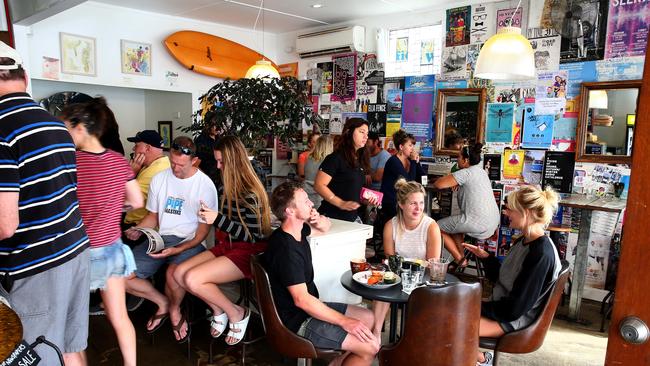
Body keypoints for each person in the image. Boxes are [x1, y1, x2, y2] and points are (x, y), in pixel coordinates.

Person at [0, 41, 90, 365]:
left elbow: (5, 224)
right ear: (24, 77)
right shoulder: (56, 125)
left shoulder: (1, 127)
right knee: (68, 347)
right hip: (75, 250)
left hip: (36, 264)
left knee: (37, 356)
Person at [61, 98, 144, 366]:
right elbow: (136, 202)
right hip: (111, 250)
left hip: (79, 253)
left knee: (70, 327)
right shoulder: (119, 161)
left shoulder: (71, 163)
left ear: (81, 127)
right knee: (119, 317)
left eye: (67, 128)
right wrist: (112, 204)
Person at [263, 181, 379, 365]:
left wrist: (317, 218)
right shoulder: (285, 249)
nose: (311, 204)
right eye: (305, 201)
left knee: (368, 317)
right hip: (297, 320)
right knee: (370, 348)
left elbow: (325, 227)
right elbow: (302, 300)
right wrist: (345, 321)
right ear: (290, 211)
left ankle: (336, 363)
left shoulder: (298, 230)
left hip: (309, 308)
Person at [175, 135, 272, 345]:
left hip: (249, 251)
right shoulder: (226, 186)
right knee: (179, 273)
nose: (218, 166)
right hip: (228, 245)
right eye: (217, 161)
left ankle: (236, 312)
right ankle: (218, 309)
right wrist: (212, 216)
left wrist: (217, 218)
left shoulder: (251, 193)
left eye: (221, 162)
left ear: (234, 161)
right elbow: (230, 225)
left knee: (192, 279)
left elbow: (252, 236)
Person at [124, 136, 217, 343]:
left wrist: (177, 250)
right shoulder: (160, 178)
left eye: (180, 165)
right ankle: (163, 303)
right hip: (161, 238)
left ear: (193, 161)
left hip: (190, 241)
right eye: (173, 162)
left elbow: (202, 233)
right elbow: (153, 216)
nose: (175, 168)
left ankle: (175, 310)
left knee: (174, 273)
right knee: (122, 273)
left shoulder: (205, 185)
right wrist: (139, 230)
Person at [462, 186, 562, 365]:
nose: (506, 213)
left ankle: (481, 361)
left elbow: (514, 309)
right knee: (445, 315)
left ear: (527, 212)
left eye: (510, 209)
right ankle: (480, 360)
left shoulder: (540, 254)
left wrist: (475, 305)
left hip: (515, 320)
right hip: (505, 310)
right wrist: (486, 258)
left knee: (448, 322)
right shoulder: (525, 241)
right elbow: (505, 278)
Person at [372, 179, 442, 337]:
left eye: (421, 203)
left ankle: (411, 341)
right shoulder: (391, 225)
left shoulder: (430, 227)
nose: (419, 208)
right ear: (401, 204)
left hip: (422, 278)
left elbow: (432, 263)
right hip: (398, 275)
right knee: (383, 288)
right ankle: (375, 335)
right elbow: (390, 259)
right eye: (413, 204)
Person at [434, 143, 500, 268]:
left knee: (436, 227)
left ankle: (460, 259)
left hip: (478, 223)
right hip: (492, 222)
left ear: (466, 160)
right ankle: (461, 256)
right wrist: (457, 181)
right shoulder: (481, 172)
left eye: (459, 157)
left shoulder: (466, 173)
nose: (457, 159)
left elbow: (438, 184)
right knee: (455, 225)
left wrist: (455, 179)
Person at [315, 118, 379, 222]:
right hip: (331, 218)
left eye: (367, 133)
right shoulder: (335, 158)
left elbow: (352, 190)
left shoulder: (359, 159)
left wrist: (366, 199)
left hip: (351, 218)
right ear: (349, 131)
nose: (365, 136)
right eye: (361, 132)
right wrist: (340, 203)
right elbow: (319, 185)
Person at [123, 130, 171, 233]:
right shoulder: (161, 162)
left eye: (136, 145)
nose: (133, 149)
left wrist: (130, 174)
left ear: (148, 148)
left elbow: (121, 201)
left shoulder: (154, 172)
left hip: (139, 226)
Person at [380, 129, 426, 220]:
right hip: (391, 203)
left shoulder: (409, 161)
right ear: (401, 147)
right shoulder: (393, 161)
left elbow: (423, 178)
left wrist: (417, 162)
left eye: (413, 145)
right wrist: (413, 161)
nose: (412, 148)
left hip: (403, 201)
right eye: (410, 145)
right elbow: (409, 183)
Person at [304, 134, 333, 208]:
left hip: (306, 196)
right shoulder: (328, 162)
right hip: (319, 199)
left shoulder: (309, 158)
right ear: (329, 146)